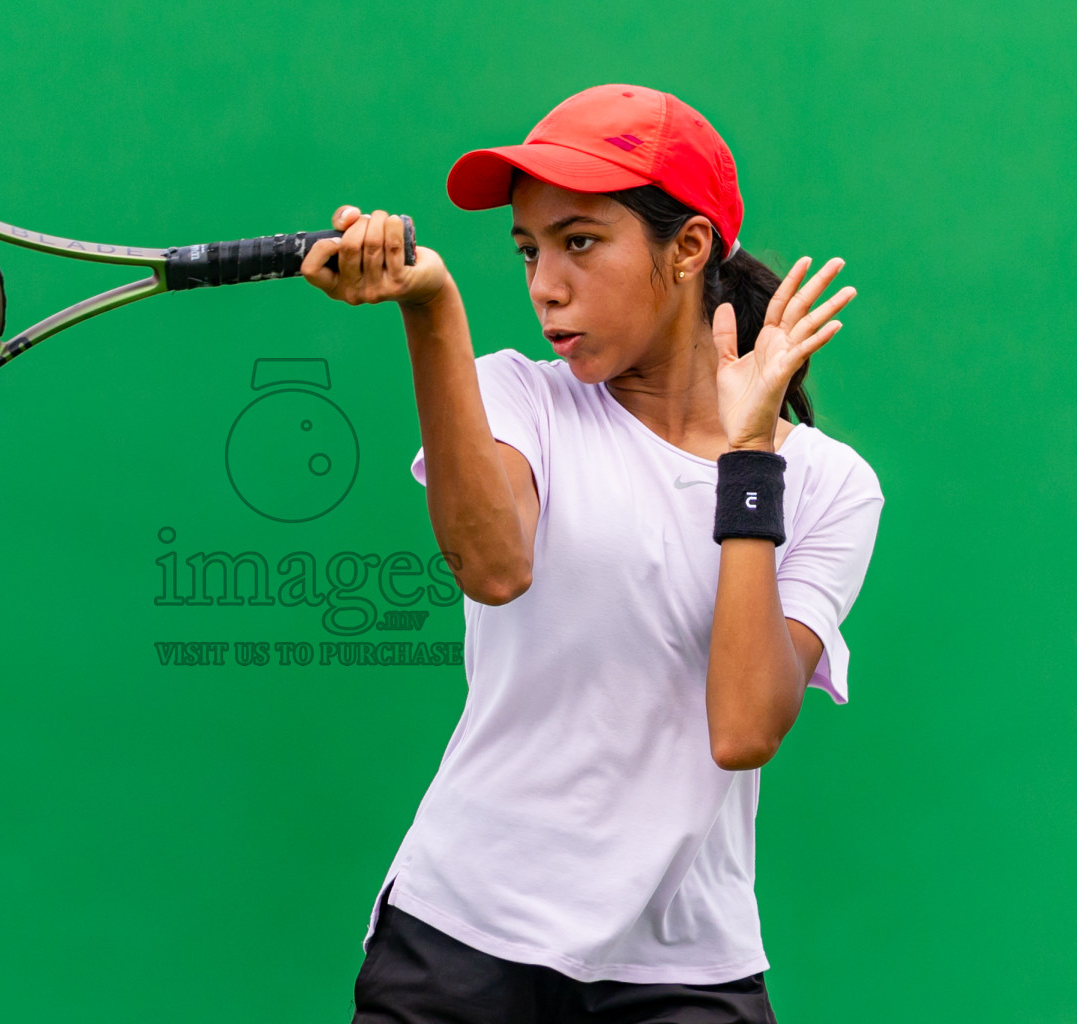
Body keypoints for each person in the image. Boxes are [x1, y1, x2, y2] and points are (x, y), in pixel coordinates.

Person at [300, 83, 885, 1024]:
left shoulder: (829, 484)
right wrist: (431, 306)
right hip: (460, 944)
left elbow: (742, 728)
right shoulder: (519, 401)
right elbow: (493, 568)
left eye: (580, 242)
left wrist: (746, 461)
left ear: (688, 248)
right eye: (530, 251)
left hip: (685, 973)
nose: (544, 285)